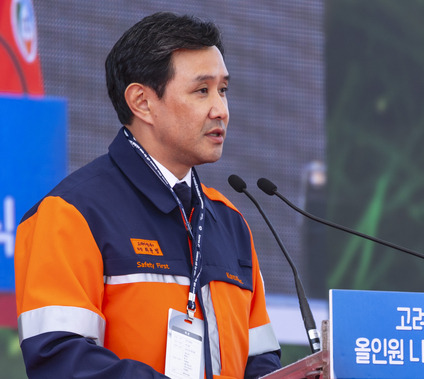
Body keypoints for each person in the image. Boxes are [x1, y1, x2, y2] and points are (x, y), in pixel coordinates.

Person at [15, 12, 282, 379]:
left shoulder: (230, 221)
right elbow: (60, 358)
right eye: (201, 90)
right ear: (141, 102)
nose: (221, 110)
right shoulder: (71, 213)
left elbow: (262, 359)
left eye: (223, 90)